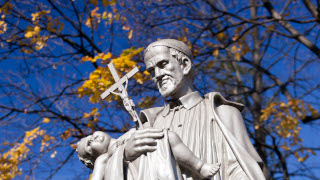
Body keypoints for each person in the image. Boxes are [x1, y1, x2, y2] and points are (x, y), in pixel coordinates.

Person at [121, 39, 266, 179]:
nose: (157, 75)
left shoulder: (223, 114)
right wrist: (126, 155)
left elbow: (241, 170)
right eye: (152, 71)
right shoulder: (150, 124)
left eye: (163, 64)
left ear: (185, 65)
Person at [77, 130, 220, 180]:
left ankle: (200, 167)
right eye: (88, 145)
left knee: (169, 136)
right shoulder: (103, 159)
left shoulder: (125, 136)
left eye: (90, 135)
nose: (92, 138)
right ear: (93, 157)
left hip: (155, 160)